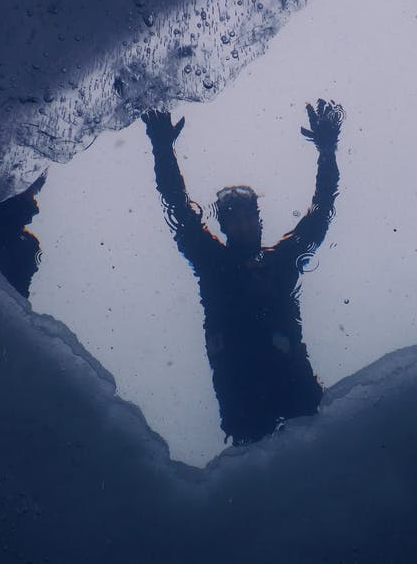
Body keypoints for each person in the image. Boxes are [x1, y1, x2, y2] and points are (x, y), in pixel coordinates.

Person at [141, 99, 344, 445]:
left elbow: (321, 212)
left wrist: (327, 150)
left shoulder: (281, 261)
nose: (244, 223)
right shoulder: (212, 263)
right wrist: (163, 150)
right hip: (245, 408)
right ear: (225, 227)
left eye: (249, 215)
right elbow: (178, 207)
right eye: (234, 218)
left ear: (259, 219)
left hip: (297, 391)